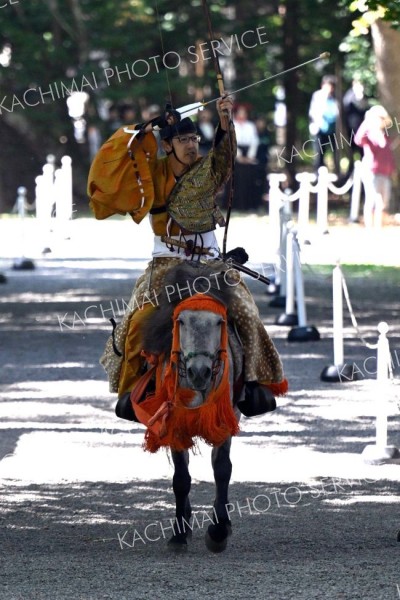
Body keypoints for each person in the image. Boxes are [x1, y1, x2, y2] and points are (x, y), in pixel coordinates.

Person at [90, 97, 288, 420]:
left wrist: (225, 123)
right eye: (182, 140)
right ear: (167, 145)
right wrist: (148, 128)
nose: (191, 145)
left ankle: (253, 386)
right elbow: (119, 160)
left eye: (194, 139)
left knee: (247, 313)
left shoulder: (206, 171)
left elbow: (224, 159)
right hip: (167, 262)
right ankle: (132, 391)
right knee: (137, 322)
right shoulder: (151, 172)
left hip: (211, 264)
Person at [354, 105, 396, 227]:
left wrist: (392, 170)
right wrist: (366, 123)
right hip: (372, 172)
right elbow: (358, 139)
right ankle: (370, 229)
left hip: (385, 174)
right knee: (373, 200)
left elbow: (388, 155)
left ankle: (378, 228)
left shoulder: (384, 136)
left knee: (383, 203)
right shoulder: (369, 135)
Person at [308, 75, 340, 170]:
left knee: (335, 153)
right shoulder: (317, 96)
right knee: (319, 155)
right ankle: (317, 175)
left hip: (332, 131)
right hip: (319, 130)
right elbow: (313, 113)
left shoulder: (335, 98)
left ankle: (336, 174)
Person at [342, 79, 369, 172]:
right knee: (352, 151)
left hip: (363, 130)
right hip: (352, 129)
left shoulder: (363, 96)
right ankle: (351, 171)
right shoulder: (349, 96)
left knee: (363, 152)